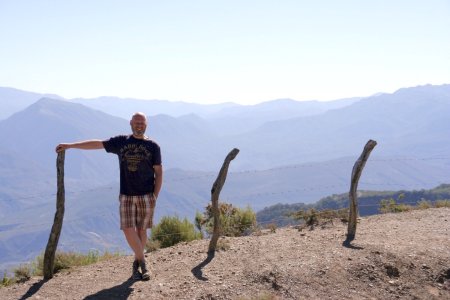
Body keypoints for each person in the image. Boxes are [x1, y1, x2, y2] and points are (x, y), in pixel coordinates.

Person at [55, 112, 163, 281]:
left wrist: (155, 196)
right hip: (126, 195)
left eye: (142, 122)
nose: (139, 125)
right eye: (136, 122)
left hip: (146, 195)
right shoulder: (121, 142)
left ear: (146, 124)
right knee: (128, 229)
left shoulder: (153, 146)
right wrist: (71, 145)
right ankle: (143, 262)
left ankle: (136, 264)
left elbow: (159, 173)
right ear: (130, 123)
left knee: (141, 230)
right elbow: (97, 144)